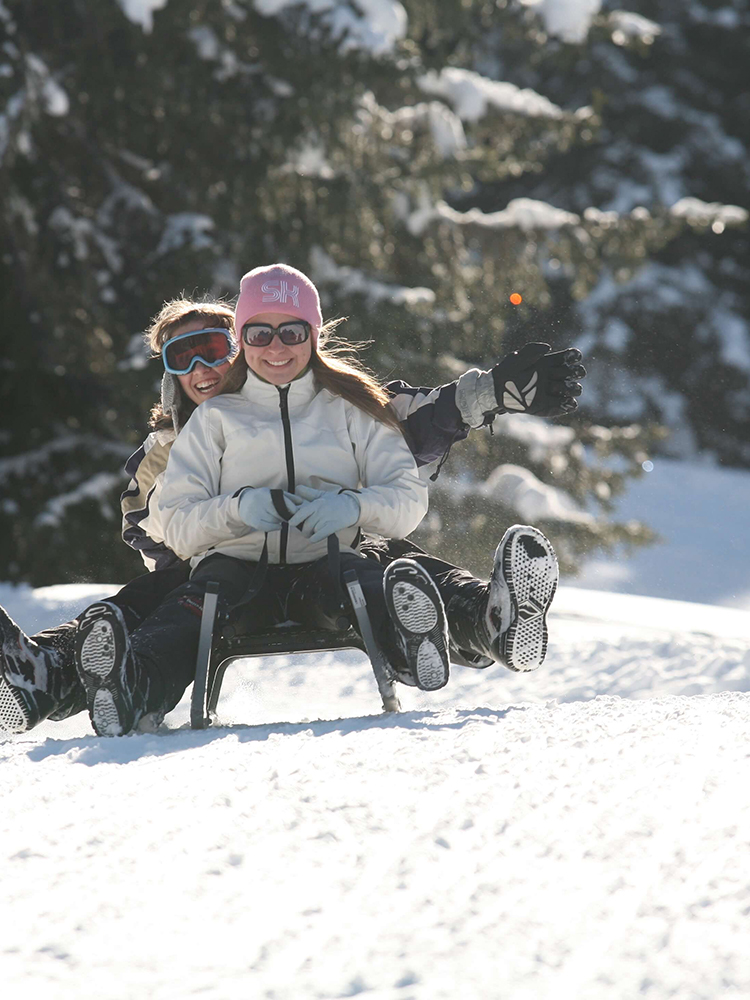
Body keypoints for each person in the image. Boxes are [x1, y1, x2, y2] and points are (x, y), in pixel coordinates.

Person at [0, 274, 584, 735]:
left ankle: (470, 623)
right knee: (162, 599)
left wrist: (490, 393)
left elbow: (411, 424)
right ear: (169, 375)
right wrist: (234, 515)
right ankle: (66, 678)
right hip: (217, 574)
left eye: (213, 349)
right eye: (184, 358)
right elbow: (157, 530)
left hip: (325, 562)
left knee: (380, 558)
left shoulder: (337, 402)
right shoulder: (178, 443)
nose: (202, 369)